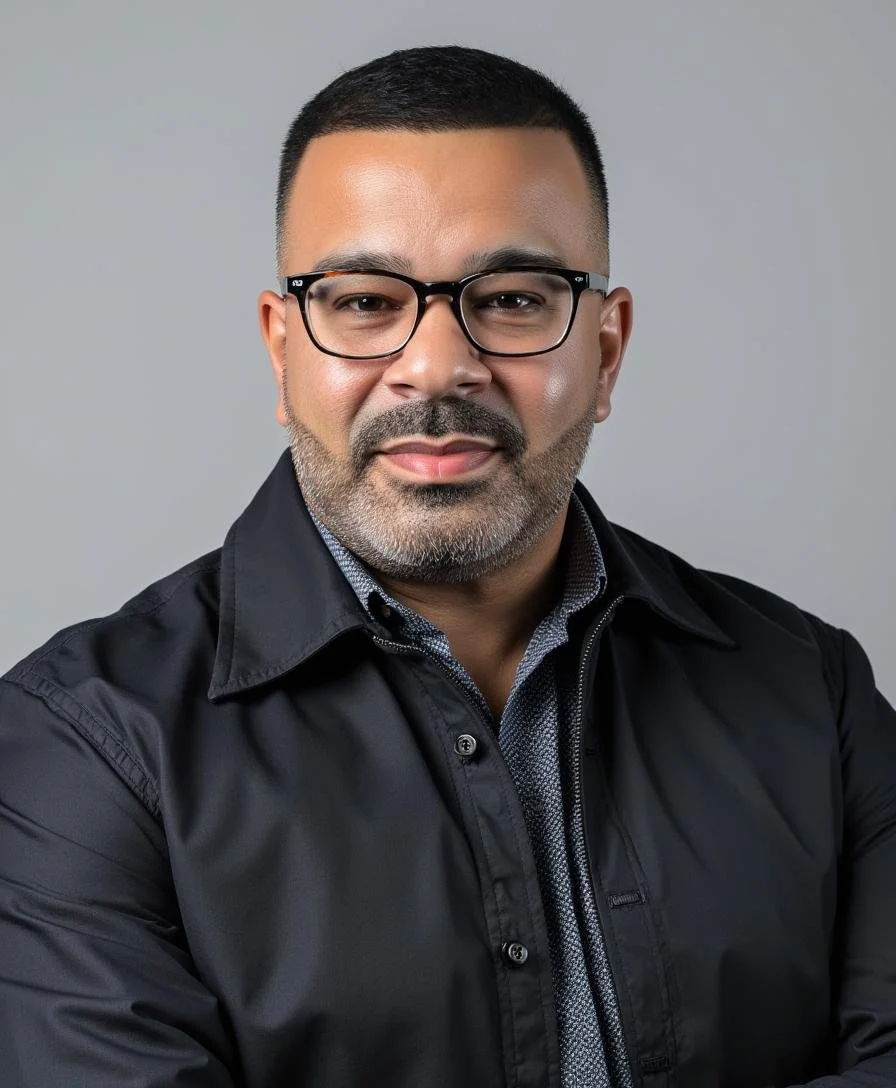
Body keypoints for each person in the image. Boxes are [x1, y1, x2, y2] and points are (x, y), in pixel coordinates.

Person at [0, 43, 893, 1088]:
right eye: (363, 302)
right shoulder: (84, 747)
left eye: (512, 299)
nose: (434, 367)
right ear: (282, 351)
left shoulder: (812, 692)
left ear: (605, 352)